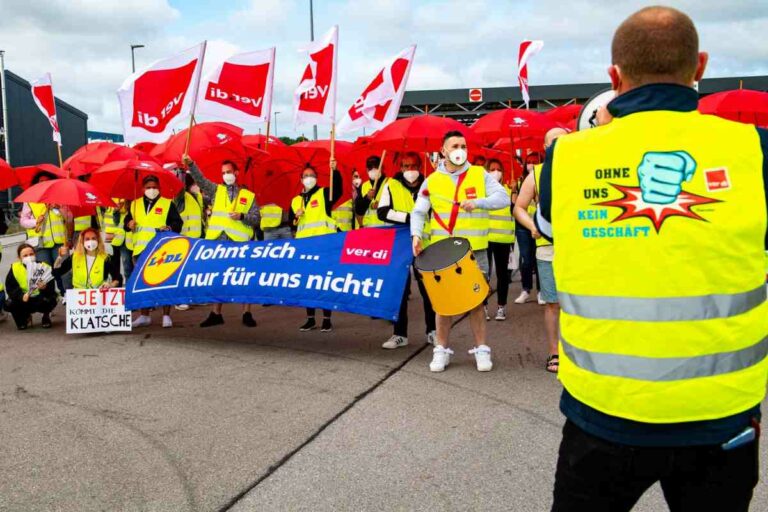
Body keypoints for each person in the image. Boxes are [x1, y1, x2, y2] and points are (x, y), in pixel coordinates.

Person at [536, 7, 768, 511]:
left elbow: (552, 230)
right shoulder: (755, 150)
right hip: (721, 417)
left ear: (613, 76)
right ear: (700, 66)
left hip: (603, 415)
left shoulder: (568, 158)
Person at [411, 131, 508, 372]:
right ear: (443, 150)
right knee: (443, 304)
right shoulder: (431, 181)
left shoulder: (479, 173)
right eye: (455, 145)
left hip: (475, 252)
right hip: (442, 253)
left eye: (463, 145)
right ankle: (440, 351)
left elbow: (503, 198)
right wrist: (416, 234)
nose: (460, 149)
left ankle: (482, 350)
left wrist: (479, 203)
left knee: (476, 302)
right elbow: (419, 211)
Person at [514, 129, 567, 373]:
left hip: (578, 246)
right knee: (552, 303)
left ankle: (577, 351)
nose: (560, 144)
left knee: (579, 303)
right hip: (547, 248)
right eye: (554, 141)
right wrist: (532, 225)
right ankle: (554, 352)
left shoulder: (579, 168)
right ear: (545, 146)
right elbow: (519, 207)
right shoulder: (536, 173)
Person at [186, 157, 260, 328]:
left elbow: (256, 219)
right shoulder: (216, 191)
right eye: (223, 173)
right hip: (218, 243)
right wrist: (191, 164)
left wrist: (242, 216)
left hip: (240, 244)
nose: (226, 175)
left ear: (236, 173)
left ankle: (247, 312)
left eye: (229, 172)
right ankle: (216, 313)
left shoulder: (248, 195)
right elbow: (201, 181)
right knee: (217, 278)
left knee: (243, 279)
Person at [377, 152, 437, 348]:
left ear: (419, 166)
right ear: (399, 167)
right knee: (400, 290)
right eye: (405, 166)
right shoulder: (391, 185)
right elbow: (382, 212)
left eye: (413, 166)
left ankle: (433, 330)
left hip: (426, 244)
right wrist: (410, 218)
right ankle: (399, 334)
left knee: (429, 290)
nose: (409, 170)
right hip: (400, 244)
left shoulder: (431, 184)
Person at [124, 175, 183, 328]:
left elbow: (178, 222)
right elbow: (126, 223)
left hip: (161, 249)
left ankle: (166, 315)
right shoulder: (134, 205)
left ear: (159, 188)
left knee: (163, 281)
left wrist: (169, 228)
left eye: (155, 187)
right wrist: (128, 223)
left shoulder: (167, 204)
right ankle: (144, 315)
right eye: (149, 187)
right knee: (142, 283)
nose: (152, 190)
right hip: (140, 250)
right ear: (143, 189)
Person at [290, 163, 342, 332]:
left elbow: (339, 189)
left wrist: (334, 171)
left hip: (324, 246)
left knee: (324, 283)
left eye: (311, 175)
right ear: (301, 179)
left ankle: (327, 319)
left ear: (317, 178)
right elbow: (292, 223)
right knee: (307, 284)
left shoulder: (324, 193)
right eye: (305, 176)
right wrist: (295, 216)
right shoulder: (296, 200)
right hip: (305, 249)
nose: (308, 178)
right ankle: (310, 318)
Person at [18, 171, 68, 294]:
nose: (44, 183)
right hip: (40, 244)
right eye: (41, 181)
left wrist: (59, 208)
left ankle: (65, 294)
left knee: (63, 271)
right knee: (45, 273)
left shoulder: (60, 197)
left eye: (47, 181)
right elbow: (23, 221)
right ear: (36, 184)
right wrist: (35, 221)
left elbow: (69, 218)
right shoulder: (30, 200)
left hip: (59, 243)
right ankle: (49, 299)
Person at [486, 158, 515, 321]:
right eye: (492, 169)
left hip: (504, 239)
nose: (495, 172)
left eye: (498, 169)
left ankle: (501, 307)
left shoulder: (509, 191)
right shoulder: (483, 191)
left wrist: (514, 194)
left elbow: (515, 211)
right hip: (485, 238)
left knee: (503, 275)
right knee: (484, 275)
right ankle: (483, 307)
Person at [4, 243, 57, 330]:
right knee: (9, 303)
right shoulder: (15, 268)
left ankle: (45, 316)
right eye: (25, 255)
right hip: (24, 298)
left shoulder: (44, 267)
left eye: (31, 254)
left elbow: (51, 289)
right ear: (19, 258)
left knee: (50, 299)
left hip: (40, 298)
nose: (29, 257)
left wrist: (44, 288)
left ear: (35, 254)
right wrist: (21, 296)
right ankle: (24, 318)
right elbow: (10, 288)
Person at [53, 228, 120, 290]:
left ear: (98, 240)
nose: (90, 241)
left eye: (93, 238)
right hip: (78, 296)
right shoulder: (75, 257)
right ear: (82, 241)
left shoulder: (106, 258)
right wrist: (60, 257)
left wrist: (110, 285)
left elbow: (117, 278)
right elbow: (56, 272)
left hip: (98, 295)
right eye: (87, 239)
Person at [102, 198, 133, 286]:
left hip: (127, 239)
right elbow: (115, 221)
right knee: (114, 266)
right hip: (113, 238)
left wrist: (129, 207)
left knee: (127, 266)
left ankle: (129, 288)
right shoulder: (111, 199)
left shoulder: (133, 199)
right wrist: (116, 211)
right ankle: (117, 285)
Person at [355, 155, 389, 227]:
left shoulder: (391, 183)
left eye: (376, 166)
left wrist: (381, 205)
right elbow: (359, 210)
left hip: (387, 229)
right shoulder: (364, 186)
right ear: (367, 170)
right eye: (370, 167)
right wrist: (367, 198)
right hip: (368, 230)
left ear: (382, 167)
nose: (373, 169)